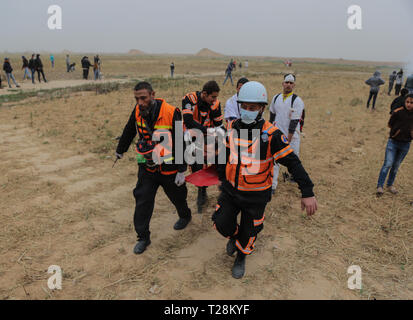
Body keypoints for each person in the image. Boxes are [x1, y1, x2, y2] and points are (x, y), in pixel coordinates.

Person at [213, 81, 317, 279]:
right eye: (244, 106)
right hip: (230, 191)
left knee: (250, 230)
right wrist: (220, 178)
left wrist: (308, 192)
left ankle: (241, 256)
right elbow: (223, 155)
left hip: (256, 195)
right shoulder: (230, 128)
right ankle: (235, 238)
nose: (247, 111)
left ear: (261, 109)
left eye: (252, 108)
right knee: (221, 222)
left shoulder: (271, 135)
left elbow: (293, 163)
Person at [115, 81, 192, 254]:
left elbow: (181, 141)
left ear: (152, 95)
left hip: (169, 167)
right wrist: (120, 150)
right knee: (142, 200)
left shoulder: (172, 112)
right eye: (137, 99)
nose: (140, 102)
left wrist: (181, 169)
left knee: (178, 196)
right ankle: (143, 237)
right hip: (147, 166)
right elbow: (129, 130)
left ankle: (185, 215)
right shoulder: (137, 111)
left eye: (143, 98)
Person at [182, 80, 223, 213]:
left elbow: (218, 124)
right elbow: (188, 121)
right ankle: (201, 192)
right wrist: (206, 131)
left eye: (216, 97)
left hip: (207, 138)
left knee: (214, 163)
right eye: (213, 97)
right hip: (192, 136)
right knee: (196, 166)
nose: (215, 100)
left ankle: (212, 188)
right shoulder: (189, 99)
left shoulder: (215, 104)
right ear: (204, 94)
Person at [269, 74, 305, 194]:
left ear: (294, 85)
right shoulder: (276, 98)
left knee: (294, 159)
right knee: (275, 159)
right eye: (286, 82)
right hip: (277, 133)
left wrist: (288, 140)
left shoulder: (297, 101)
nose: (288, 85)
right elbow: (272, 115)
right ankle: (272, 186)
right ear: (283, 83)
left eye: (291, 83)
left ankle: (297, 180)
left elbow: (294, 122)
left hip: (292, 136)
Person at [376, 94, 413, 196]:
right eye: (407, 102)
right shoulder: (398, 112)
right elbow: (389, 124)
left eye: (412, 102)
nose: (409, 104)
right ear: (405, 102)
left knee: (396, 166)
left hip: (405, 144)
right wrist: (396, 132)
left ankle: (390, 185)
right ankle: (380, 186)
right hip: (393, 143)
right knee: (388, 164)